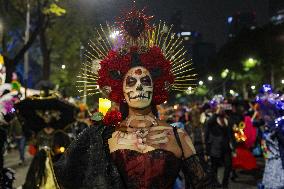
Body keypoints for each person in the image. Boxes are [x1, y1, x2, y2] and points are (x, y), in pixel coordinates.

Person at [55, 7, 211, 189]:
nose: (139, 87)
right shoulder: (101, 136)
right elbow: (65, 176)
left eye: (145, 80)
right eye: (131, 82)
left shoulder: (178, 136)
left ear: (156, 86)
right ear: (120, 89)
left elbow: (204, 183)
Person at [205, 105, 235, 189]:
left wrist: (234, 145)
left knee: (228, 166)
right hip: (215, 148)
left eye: (222, 109)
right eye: (220, 109)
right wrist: (216, 113)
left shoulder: (227, 119)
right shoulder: (213, 119)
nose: (222, 110)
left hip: (226, 148)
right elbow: (209, 123)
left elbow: (231, 133)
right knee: (214, 168)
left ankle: (225, 184)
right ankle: (215, 183)